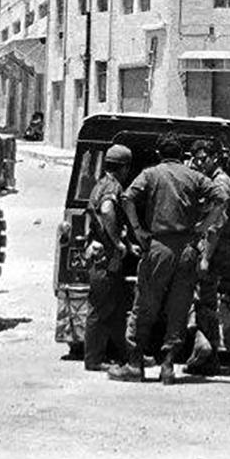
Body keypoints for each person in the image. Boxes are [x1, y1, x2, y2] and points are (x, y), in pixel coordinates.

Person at [110, 135, 215, 384]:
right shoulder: (195, 176)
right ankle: (168, 367)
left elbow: (126, 198)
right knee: (179, 308)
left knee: (145, 304)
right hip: (187, 249)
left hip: (159, 248)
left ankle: (135, 364)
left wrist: (137, 230)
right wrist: (203, 226)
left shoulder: (150, 174)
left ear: (159, 153)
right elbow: (221, 197)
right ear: (181, 155)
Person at [185, 137, 230, 375]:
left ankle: (206, 353)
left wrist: (205, 258)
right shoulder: (218, 181)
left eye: (202, 159)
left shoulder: (220, 186)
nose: (198, 163)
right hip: (218, 250)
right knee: (204, 300)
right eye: (195, 159)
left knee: (205, 301)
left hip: (215, 252)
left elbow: (215, 227)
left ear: (215, 158)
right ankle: (207, 352)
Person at [80, 144, 136, 371]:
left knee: (113, 308)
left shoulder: (100, 184)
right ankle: (93, 360)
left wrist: (128, 245)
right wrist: (118, 243)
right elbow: (106, 211)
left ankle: (126, 355)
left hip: (102, 257)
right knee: (100, 308)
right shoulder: (112, 186)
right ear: (123, 168)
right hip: (104, 258)